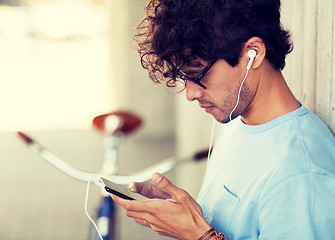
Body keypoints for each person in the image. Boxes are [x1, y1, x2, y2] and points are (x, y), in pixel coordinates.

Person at [111, 0, 335, 239]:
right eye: (183, 77)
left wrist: (199, 235)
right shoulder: (239, 122)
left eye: (197, 74)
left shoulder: (300, 176)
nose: (190, 93)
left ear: (253, 54)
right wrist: (186, 218)